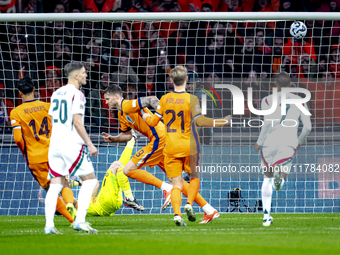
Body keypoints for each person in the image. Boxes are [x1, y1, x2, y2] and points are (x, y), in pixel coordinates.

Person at [102, 85, 220, 223]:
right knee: (178, 181)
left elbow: (152, 99)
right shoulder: (121, 113)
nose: (106, 102)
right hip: (164, 141)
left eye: (108, 99)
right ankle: (210, 210)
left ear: (116, 96)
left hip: (160, 138)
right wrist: (114, 138)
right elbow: (127, 135)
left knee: (127, 169)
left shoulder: (128, 105)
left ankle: (166, 189)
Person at [143, 66, 231, 226]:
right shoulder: (192, 99)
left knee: (175, 184)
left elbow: (153, 122)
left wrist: (144, 115)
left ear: (171, 80)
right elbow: (201, 121)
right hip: (189, 145)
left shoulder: (164, 99)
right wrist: (223, 121)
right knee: (194, 177)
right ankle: (189, 203)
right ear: (186, 80)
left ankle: (177, 214)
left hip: (170, 147)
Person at [9, 77, 76, 227]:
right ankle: (71, 203)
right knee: (64, 184)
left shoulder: (15, 113)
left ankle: (72, 220)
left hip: (35, 157)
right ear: (34, 89)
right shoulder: (48, 106)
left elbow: (18, 139)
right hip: (54, 153)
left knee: (50, 190)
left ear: (19, 93)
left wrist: (23, 151)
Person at [45, 62, 98, 234]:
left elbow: (52, 121)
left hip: (55, 144)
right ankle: (80, 221)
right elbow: (77, 122)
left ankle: (49, 226)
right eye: (83, 73)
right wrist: (89, 144)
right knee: (90, 180)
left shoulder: (55, 93)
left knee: (55, 185)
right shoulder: (78, 94)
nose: (86, 75)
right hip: (71, 144)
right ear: (75, 76)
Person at [254, 72, 312, 226]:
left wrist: (259, 142)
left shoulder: (266, 100)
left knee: (266, 178)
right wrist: (299, 141)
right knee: (278, 180)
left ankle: (266, 217)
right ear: (290, 85)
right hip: (288, 141)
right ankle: (278, 182)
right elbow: (307, 127)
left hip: (269, 142)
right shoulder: (300, 100)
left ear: (276, 85)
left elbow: (267, 123)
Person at [87, 136, 139, 216]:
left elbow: (96, 184)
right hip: (106, 202)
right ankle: (130, 198)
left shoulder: (86, 205)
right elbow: (71, 202)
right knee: (116, 165)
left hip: (113, 204)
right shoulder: (78, 207)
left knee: (120, 168)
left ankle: (132, 139)